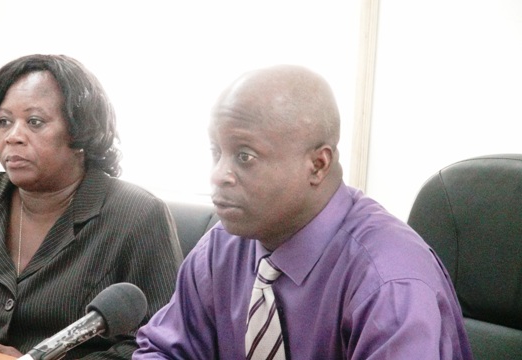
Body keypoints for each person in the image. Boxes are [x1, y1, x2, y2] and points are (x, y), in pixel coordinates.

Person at [133, 65, 473, 359]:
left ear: (317, 164)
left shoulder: (389, 283)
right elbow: (162, 350)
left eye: (244, 156)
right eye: (215, 151)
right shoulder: (221, 248)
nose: (218, 174)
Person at [0, 54, 183, 359]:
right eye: (4, 122)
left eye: (35, 122)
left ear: (80, 130)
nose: (14, 137)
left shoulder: (137, 215)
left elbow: (160, 342)